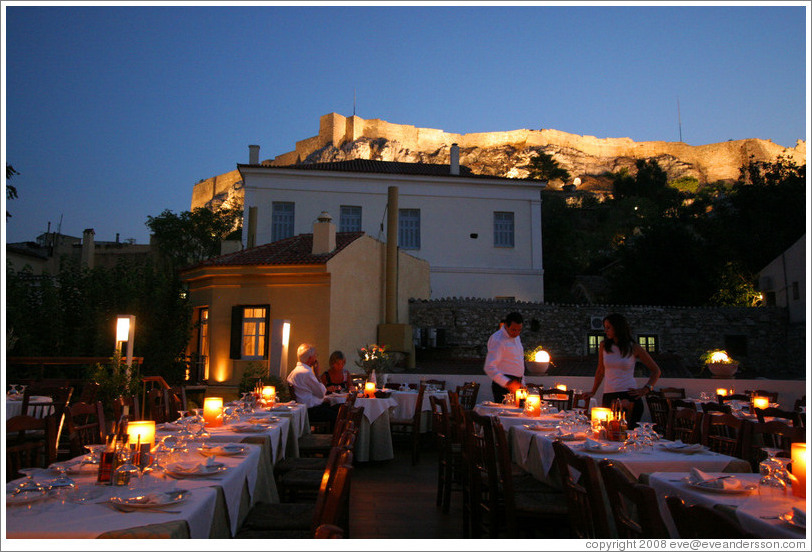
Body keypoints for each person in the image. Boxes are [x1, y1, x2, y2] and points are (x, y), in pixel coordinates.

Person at [583, 313, 661, 430]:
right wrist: (593, 391)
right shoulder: (604, 346)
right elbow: (600, 370)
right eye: (605, 327)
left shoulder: (634, 347)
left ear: (618, 327)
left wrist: (646, 389)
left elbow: (656, 371)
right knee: (608, 431)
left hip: (629, 394)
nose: (606, 330)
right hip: (609, 394)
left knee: (628, 432)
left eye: (608, 327)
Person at [286, 343, 340, 429]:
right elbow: (321, 393)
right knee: (339, 414)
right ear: (310, 359)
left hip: (304, 408)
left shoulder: (294, 372)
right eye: (315, 355)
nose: (316, 358)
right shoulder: (306, 373)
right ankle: (334, 439)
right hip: (309, 410)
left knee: (338, 407)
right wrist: (317, 374)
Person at [483, 312, 526, 404]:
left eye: (519, 330)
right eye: (514, 330)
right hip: (503, 386)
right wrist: (508, 383)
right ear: (506, 325)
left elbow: (518, 362)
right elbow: (489, 367)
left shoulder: (517, 337)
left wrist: (522, 383)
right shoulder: (498, 340)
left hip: (518, 384)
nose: (517, 333)